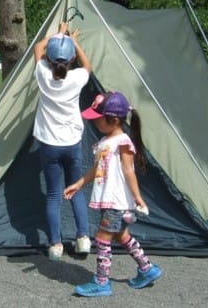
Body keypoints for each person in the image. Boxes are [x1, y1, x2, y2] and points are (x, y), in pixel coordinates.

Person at [64, 91, 163, 297]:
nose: (95, 123)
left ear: (114, 119)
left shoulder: (122, 142)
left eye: (99, 119)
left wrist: (137, 198)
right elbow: (96, 169)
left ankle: (102, 282)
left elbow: (129, 170)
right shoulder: (105, 142)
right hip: (107, 200)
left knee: (102, 238)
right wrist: (79, 183)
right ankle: (147, 268)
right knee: (121, 235)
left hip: (116, 201)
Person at [33, 21, 93, 261]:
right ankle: (83, 239)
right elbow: (88, 65)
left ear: (49, 59)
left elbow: (38, 47)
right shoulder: (77, 77)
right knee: (76, 190)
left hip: (49, 144)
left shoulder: (43, 74)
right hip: (72, 143)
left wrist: (58, 35)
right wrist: (73, 42)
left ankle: (55, 245)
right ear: (71, 61)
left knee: (54, 195)